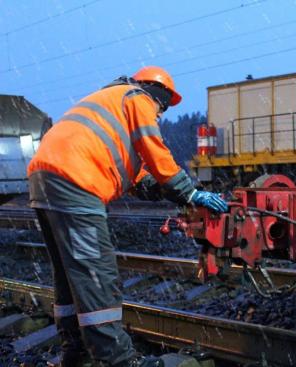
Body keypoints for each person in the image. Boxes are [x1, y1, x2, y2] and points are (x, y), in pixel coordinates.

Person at [27, 66, 228, 367]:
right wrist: (189, 192)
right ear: (157, 93)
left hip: (44, 179)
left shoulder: (109, 103)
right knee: (96, 272)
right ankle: (118, 360)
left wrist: (163, 189)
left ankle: (75, 352)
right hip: (75, 181)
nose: (159, 114)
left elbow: (137, 178)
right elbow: (155, 152)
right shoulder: (138, 98)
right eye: (163, 106)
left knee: (69, 275)